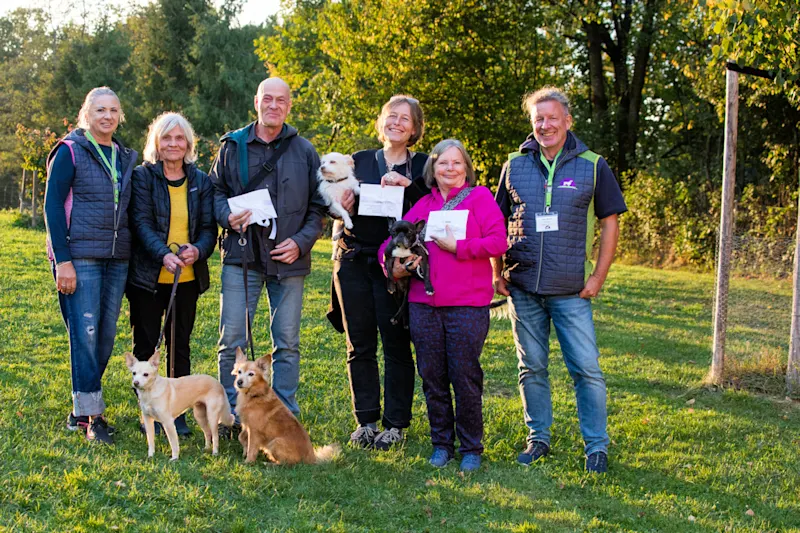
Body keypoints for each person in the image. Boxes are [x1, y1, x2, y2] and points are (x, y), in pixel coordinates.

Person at [492, 87, 627, 473]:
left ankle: (596, 447)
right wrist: (497, 272)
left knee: (586, 369)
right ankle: (538, 439)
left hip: (571, 290)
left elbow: (610, 221)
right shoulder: (514, 164)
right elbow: (496, 221)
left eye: (552, 118)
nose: (545, 125)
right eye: (538, 119)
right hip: (523, 288)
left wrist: (598, 276)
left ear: (568, 121)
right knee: (531, 368)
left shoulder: (593, 164)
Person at [379, 139, 507, 471]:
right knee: (432, 375)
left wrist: (459, 247)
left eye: (456, 163)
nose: (449, 169)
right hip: (424, 304)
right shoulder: (424, 204)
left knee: (464, 375)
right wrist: (393, 264)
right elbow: (389, 243)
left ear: (466, 167)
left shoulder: (481, 199)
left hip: (467, 304)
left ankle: (471, 448)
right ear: (432, 170)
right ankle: (441, 444)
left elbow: (498, 240)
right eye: (442, 164)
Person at [210, 77, 326, 419]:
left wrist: (301, 243)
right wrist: (227, 215)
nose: (273, 105)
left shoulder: (304, 150)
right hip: (240, 255)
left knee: (287, 343)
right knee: (232, 339)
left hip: (288, 260)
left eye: (281, 100)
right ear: (256, 102)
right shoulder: (232, 147)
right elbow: (214, 192)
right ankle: (231, 416)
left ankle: (284, 414)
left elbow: (319, 206)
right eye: (267, 99)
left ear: (289, 106)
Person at [326, 95, 429, 450]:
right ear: (380, 121)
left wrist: (411, 190)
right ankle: (366, 421)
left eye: (405, 118)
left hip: (398, 267)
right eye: (390, 116)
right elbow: (331, 204)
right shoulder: (360, 161)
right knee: (359, 343)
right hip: (354, 259)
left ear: (414, 128)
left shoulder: (425, 167)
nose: (396, 123)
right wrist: (342, 205)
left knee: (397, 344)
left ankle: (395, 424)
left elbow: (436, 209)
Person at [44, 86, 138, 444]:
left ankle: (80, 409)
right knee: (84, 335)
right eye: (100, 110)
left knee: (105, 337)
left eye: (113, 110)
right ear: (87, 113)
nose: (107, 116)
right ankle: (90, 416)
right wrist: (63, 260)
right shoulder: (71, 151)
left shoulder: (123, 155)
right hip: (79, 256)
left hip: (116, 258)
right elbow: (53, 206)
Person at [126, 112, 217, 436]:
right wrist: (163, 253)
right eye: (167, 138)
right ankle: (147, 412)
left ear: (188, 144)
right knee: (146, 344)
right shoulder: (143, 177)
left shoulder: (201, 181)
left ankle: (176, 412)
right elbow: (140, 223)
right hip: (147, 278)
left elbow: (208, 227)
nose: (174, 144)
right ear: (157, 143)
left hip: (187, 280)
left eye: (180, 138)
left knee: (180, 346)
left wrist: (199, 249)